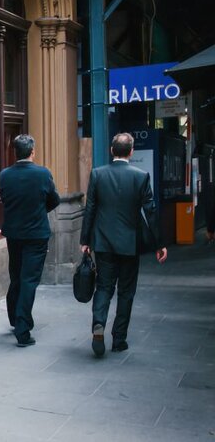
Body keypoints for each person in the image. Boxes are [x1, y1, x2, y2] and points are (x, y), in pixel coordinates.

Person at [80, 132, 167, 358]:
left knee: (104, 287)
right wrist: (159, 243)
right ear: (131, 152)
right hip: (130, 244)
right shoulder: (140, 176)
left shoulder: (98, 174)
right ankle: (119, 339)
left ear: (111, 151)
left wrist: (85, 241)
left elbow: (90, 209)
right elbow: (151, 211)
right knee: (126, 292)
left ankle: (98, 324)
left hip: (103, 243)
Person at [0, 134, 60, 347]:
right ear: (32, 152)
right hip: (36, 234)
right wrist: (39, 211)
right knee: (28, 280)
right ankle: (22, 330)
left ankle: (15, 318)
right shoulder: (43, 174)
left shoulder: (4, 175)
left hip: (14, 234)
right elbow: (55, 199)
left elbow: (5, 199)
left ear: (16, 152)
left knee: (16, 275)